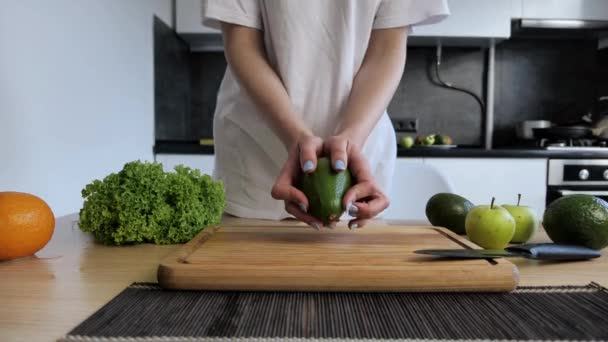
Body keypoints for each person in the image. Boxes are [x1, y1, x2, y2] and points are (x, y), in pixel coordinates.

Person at [202, 0, 449, 229]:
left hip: (358, 166)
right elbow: (241, 43)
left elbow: (388, 45)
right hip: (256, 158)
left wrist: (353, 138)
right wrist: (294, 136)